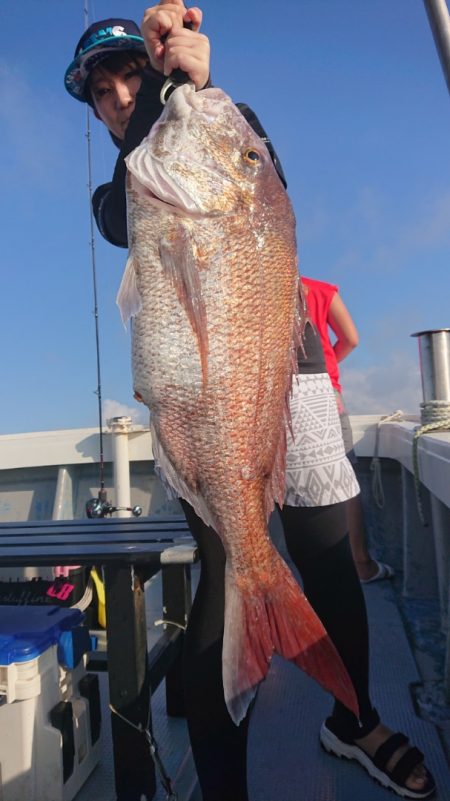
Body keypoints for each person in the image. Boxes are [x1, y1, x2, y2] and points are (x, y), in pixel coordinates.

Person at [65, 5, 435, 800]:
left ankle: (355, 718)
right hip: (203, 406)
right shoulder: (117, 198)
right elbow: (136, 191)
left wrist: (188, 79)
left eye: (132, 74)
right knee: (230, 567)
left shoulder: (231, 133)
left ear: (158, 70)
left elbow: (246, 161)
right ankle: (224, 789)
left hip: (286, 370)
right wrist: (166, 97)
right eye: (103, 89)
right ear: (94, 109)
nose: (122, 95)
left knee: (328, 549)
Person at [301, 277, 395, 583]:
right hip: (324, 392)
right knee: (344, 478)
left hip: (276, 396)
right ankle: (360, 563)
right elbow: (351, 339)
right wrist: (329, 367)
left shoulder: (258, 289)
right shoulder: (320, 289)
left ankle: (294, 568)